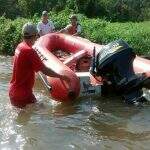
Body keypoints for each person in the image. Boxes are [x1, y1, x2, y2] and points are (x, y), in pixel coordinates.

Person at [9, 22, 70, 108]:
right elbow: (45, 70)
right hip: (22, 94)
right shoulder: (30, 51)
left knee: (39, 108)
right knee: (37, 113)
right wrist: (61, 76)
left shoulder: (20, 46)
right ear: (34, 35)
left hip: (15, 91)